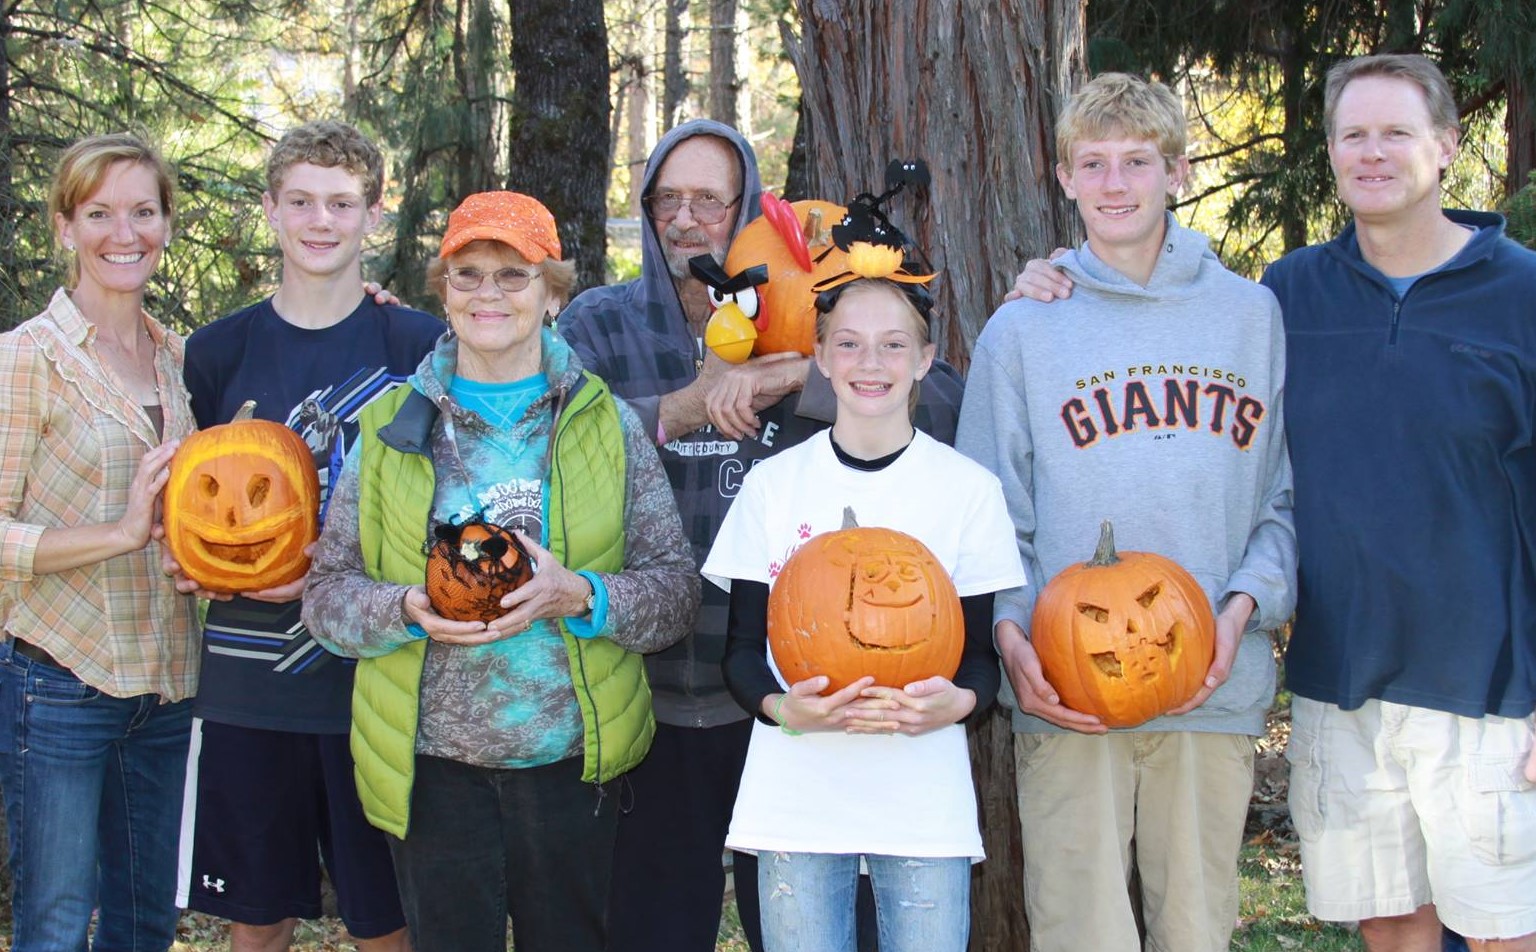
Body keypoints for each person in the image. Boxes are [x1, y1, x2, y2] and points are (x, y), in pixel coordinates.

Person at [1011, 55, 1536, 952]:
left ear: (1448, 146)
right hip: (1337, 679)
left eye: (1397, 133)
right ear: (1330, 152)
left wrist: (1246, 600)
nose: (1372, 154)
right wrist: (1055, 273)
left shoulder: (1511, 294)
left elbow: (1275, 490)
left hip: (1484, 680)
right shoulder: (1291, 293)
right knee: (1391, 923)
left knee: (1497, 928)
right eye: (1352, 135)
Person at [559, 119, 962, 952]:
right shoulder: (602, 326)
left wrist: (801, 373)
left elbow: (947, 401)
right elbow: (545, 441)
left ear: (748, 206)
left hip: (800, 693)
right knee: (653, 931)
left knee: (814, 931)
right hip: (651, 695)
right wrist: (679, 407)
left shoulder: (822, 308)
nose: (686, 217)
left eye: (709, 198)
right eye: (666, 198)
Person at [301, 189, 699, 952]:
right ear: (442, 291)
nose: (489, 293)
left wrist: (577, 592)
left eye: (513, 275)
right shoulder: (390, 429)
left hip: (570, 760)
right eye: (468, 274)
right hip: (433, 767)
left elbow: (673, 592)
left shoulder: (603, 424)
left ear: (552, 292)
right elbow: (326, 598)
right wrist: (407, 607)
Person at [957, 73, 1296, 952]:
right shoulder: (1024, 330)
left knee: (1195, 930)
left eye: (1137, 162)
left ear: (1177, 171)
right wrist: (1008, 636)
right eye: (1094, 163)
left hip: (1213, 678)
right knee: (1080, 933)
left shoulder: (1250, 317)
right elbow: (986, 514)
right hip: (1067, 687)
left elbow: (1283, 500)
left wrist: (1242, 607)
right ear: (1062, 178)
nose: (1115, 184)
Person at [172, 120, 440, 952]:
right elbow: (190, 502)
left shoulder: (420, 346)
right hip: (252, 681)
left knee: (388, 921)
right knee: (255, 919)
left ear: (374, 216)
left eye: (341, 203)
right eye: (301, 202)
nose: (320, 221)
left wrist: (332, 570)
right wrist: (197, 566)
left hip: (378, 681)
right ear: (270, 210)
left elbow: (455, 504)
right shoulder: (217, 352)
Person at [703, 262, 1025, 952]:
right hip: (797, 799)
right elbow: (738, 653)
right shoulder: (773, 487)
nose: (869, 362)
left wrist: (958, 705)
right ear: (819, 357)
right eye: (847, 343)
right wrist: (784, 708)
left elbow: (978, 661)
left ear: (925, 360)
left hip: (921, 804)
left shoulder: (966, 490)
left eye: (893, 345)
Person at [0, 133, 199, 950]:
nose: (126, 233)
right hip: (60, 682)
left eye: (144, 212)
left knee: (146, 923)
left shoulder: (180, 359)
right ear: (64, 227)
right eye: (100, 213)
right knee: (52, 924)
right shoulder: (25, 361)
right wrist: (118, 532)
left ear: (165, 223)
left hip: (169, 686)